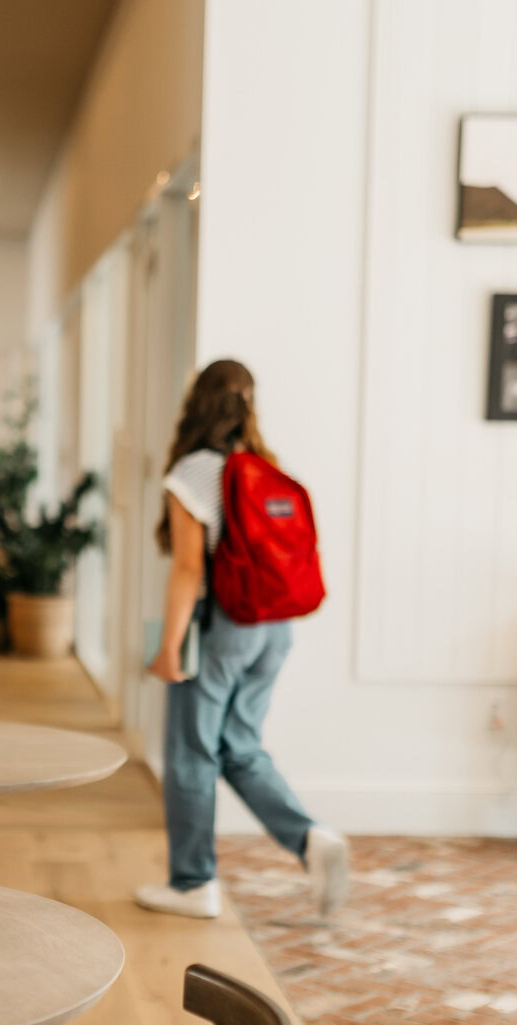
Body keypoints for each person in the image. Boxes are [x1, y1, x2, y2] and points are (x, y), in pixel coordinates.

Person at [136, 359, 349, 920]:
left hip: (220, 628)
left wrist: (168, 648)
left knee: (191, 754)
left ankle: (192, 884)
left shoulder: (193, 471)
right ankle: (312, 839)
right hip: (273, 629)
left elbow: (188, 569)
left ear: (196, 403)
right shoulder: (261, 466)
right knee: (240, 746)